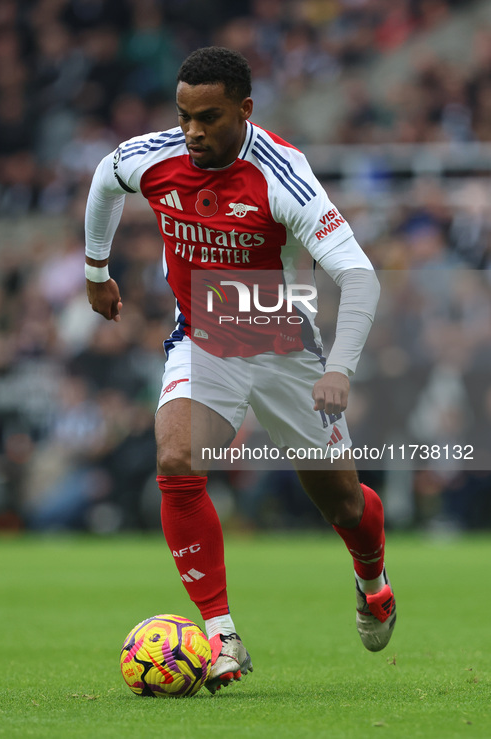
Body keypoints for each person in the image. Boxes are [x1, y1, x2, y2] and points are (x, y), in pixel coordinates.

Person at [84, 47, 396, 693]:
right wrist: (95, 269)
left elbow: (358, 276)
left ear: (244, 110)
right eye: (183, 115)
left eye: (209, 116)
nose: (192, 130)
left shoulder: (283, 175)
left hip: (286, 348)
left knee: (340, 501)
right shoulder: (154, 156)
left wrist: (338, 366)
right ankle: (220, 633)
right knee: (175, 459)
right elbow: (103, 179)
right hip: (204, 336)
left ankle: (371, 575)